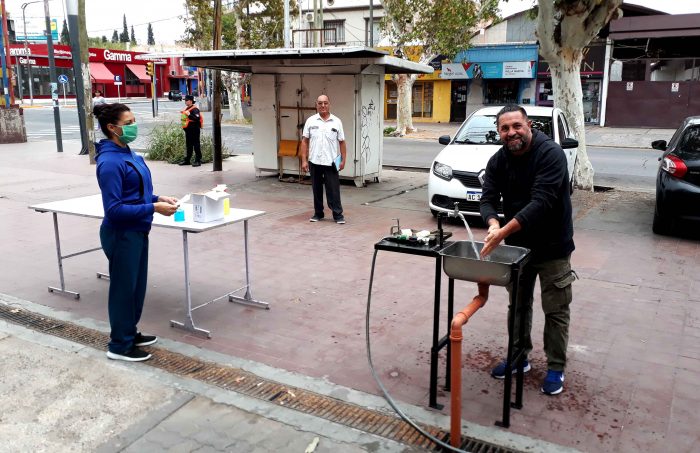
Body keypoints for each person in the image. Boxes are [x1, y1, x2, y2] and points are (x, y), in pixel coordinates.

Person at [479, 104, 576, 396]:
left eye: (516, 126)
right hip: (518, 248)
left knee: (556, 309)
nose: (511, 133)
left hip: (553, 247)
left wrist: (502, 234)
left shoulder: (550, 154)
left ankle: (556, 367)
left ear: (528, 125)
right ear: (499, 132)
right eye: (505, 129)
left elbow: (541, 203)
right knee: (518, 305)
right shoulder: (499, 160)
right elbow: (487, 199)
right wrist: (493, 223)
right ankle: (519, 358)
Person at [94, 103, 179, 362]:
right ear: (112, 127)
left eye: (133, 121)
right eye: (128, 122)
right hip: (122, 234)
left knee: (136, 287)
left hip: (138, 230)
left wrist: (157, 197)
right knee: (123, 289)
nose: (133, 127)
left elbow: (134, 193)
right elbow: (115, 209)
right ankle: (119, 345)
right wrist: (154, 207)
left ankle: (129, 331)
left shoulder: (127, 153)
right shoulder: (109, 162)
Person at [300, 94, 347, 224]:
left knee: (334, 190)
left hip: (331, 162)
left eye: (325, 103)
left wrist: (343, 160)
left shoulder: (337, 121)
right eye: (320, 103)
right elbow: (304, 141)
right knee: (316, 189)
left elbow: (342, 142)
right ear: (316, 105)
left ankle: (338, 215)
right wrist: (304, 160)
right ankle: (318, 213)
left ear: (329, 104)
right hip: (314, 161)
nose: (323, 106)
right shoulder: (311, 121)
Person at [178, 95, 203, 167]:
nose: (185, 101)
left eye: (186, 100)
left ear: (191, 101)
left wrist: (189, 115)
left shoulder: (195, 109)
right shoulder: (187, 109)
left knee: (196, 145)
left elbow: (196, 119)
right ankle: (187, 160)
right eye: (185, 100)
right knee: (189, 145)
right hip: (188, 130)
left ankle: (198, 160)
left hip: (194, 129)